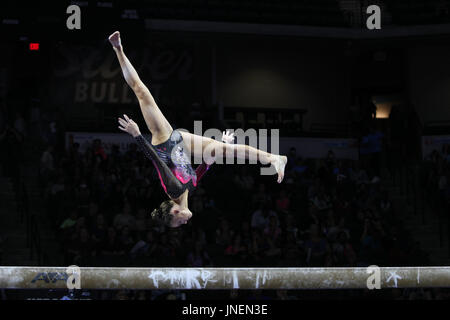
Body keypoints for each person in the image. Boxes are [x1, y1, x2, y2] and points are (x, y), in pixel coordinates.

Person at [109, 31, 287, 228]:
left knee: (141, 92)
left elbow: (157, 162)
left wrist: (137, 136)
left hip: (164, 141)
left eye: (179, 221)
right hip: (181, 143)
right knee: (225, 150)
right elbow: (204, 166)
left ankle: (118, 49)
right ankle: (274, 158)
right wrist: (221, 145)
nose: (184, 222)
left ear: (175, 211)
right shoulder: (188, 191)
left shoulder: (174, 191)